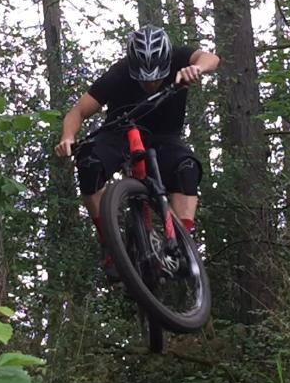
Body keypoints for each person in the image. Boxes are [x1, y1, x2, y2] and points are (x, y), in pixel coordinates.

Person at [55, 25, 219, 277]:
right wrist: (68, 137)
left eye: (156, 77)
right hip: (119, 131)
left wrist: (197, 68)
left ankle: (183, 243)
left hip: (165, 137)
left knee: (186, 167)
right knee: (89, 163)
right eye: (144, 78)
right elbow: (78, 111)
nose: (151, 83)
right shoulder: (119, 73)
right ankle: (109, 244)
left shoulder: (178, 58)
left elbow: (210, 58)